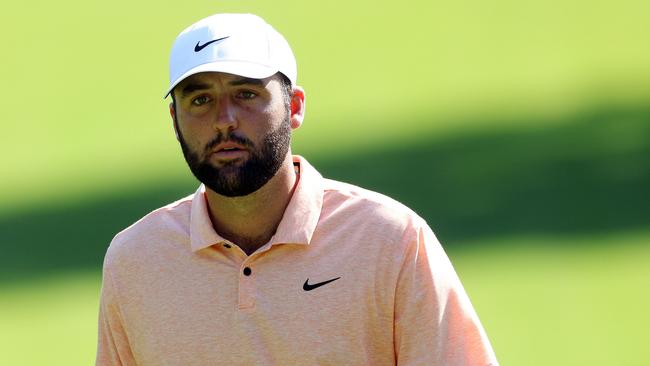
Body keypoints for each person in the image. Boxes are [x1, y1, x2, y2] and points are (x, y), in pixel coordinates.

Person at [96, 13, 498, 366]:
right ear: (175, 119)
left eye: (246, 94)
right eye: (200, 99)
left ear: (295, 107)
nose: (224, 120)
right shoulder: (135, 260)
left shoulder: (390, 240)